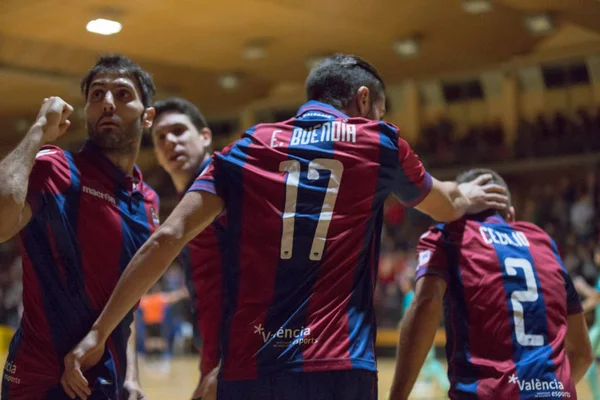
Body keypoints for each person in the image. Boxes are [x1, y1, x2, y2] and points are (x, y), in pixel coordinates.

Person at [62, 54, 508, 400]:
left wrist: (99, 333)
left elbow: (167, 238)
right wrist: (468, 195)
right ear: (364, 100)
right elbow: (446, 205)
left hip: (250, 370)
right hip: (341, 366)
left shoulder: (247, 146)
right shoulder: (379, 142)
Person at [0, 55, 159, 399]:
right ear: (86, 110)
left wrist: (131, 376)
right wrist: (40, 128)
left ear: (148, 117)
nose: (108, 103)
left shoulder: (150, 202)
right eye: (97, 94)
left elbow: (125, 306)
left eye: (122, 94)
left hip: (104, 381)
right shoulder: (56, 168)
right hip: (38, 379)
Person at [390, 168, 593, 400]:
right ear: (511, 215)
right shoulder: (544, 243)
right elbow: (583, 354)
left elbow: (426, 304)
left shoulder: (448, 236)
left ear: (458, 206)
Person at [150, 97, 225, 399]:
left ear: (205, 137)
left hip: (241, 352)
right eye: (160, 137)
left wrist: (230, 360)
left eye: (179, 131)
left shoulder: (225, 183)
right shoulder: (188, 199)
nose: (170, 141)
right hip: (213, 346)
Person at [574, 247, 600, 400]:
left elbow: (597, 297)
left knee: (587, 361)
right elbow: (595, 300)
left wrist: (582, 287)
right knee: (589, 364)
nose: (596, 255)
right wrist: (576, 311)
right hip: (598, 327)